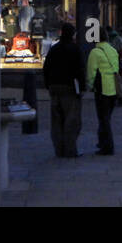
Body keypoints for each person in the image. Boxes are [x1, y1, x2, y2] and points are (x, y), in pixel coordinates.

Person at [42, 22, 84, 157]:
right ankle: (70, 150)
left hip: (54, 87)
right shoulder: (75, 49)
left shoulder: (54, 49)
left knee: (56, 121)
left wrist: (48, 85)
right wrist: (82, 88)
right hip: (69, 87)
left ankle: (59, 149)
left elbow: (46, 68)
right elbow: (80, 70)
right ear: (72, 34)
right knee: (71, 120)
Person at [86, 26, 121, 155]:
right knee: (106, 118)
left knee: (103, 119)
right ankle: (102, 142)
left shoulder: (95, 52)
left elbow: (91, 73)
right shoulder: (112, 50)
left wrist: (89, 85)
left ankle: (108, 146)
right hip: (114, 89)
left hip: (102, 89)